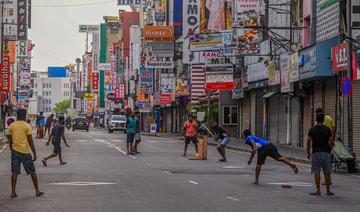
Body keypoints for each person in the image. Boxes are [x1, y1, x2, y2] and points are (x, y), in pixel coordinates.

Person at [7, 109, 44, 198]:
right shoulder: (27, 126)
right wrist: (34, 153)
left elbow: (10, 140)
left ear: (17, 116)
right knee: (32, 171)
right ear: (24, 116)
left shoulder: (12, 125)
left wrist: (11, 149)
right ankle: (37, 191)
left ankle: (13, 192)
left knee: (14, 172)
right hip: (24, 152)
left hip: (15, 151)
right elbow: (30, 140)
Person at [307, 113, 335, 196]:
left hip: (316, 152)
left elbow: (308, 141)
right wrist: (331, 146)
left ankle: (318, 191)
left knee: (317, 171)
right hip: (326, 152)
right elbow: (331, 141)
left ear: (316, 119)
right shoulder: (327, 129)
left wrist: (308, 152)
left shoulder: (312, 129)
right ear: (323, 120)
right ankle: (328, 190)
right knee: (327, 171)